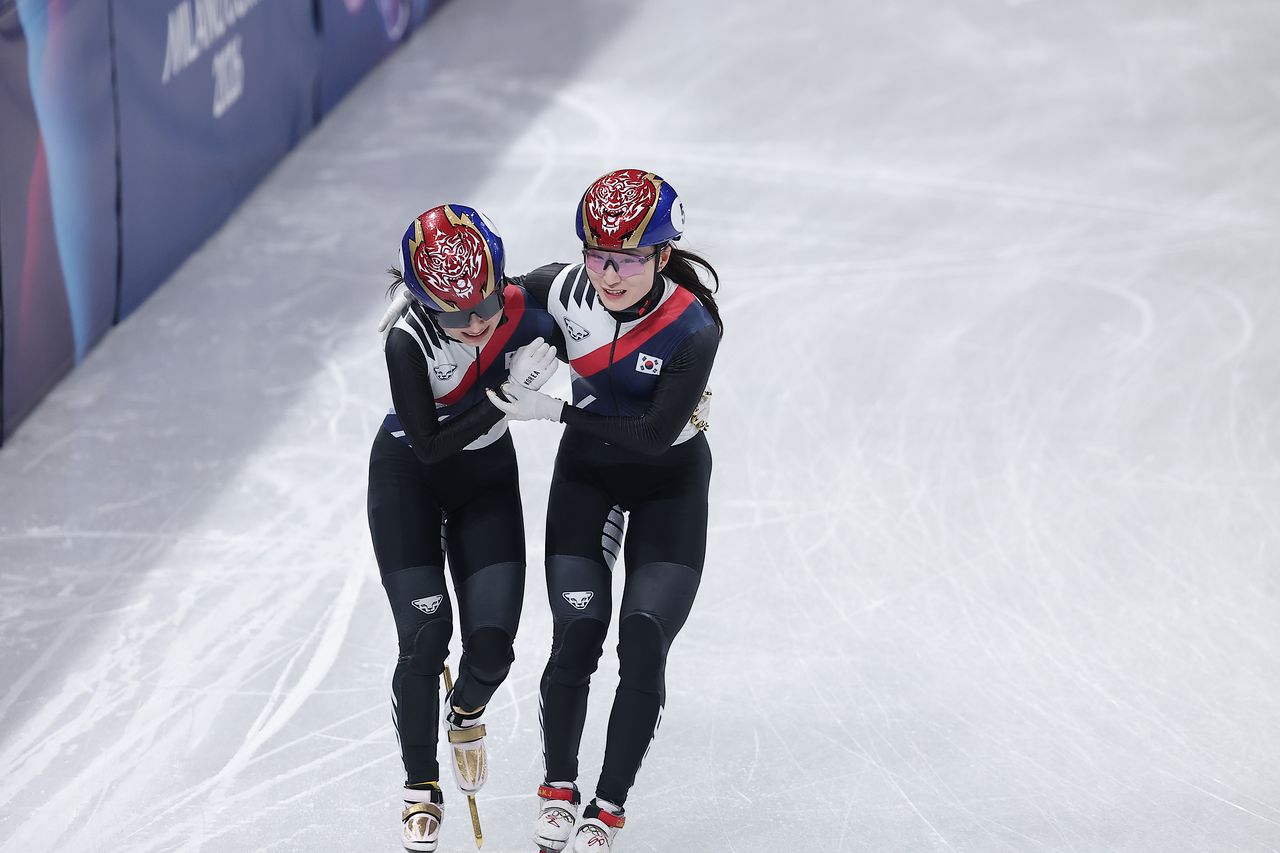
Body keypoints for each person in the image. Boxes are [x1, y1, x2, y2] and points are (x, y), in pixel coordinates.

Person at [487, 169, 723, 853]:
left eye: (625, 259)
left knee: (643, 634)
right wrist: (420, 310)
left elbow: (653, 437)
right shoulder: (563, 287)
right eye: (597, 255)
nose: (608, 274)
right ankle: (558, 787)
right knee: (578, 629)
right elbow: (484, 297)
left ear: (662, 256)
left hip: (668, 484)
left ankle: (608, 806)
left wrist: (555, 407)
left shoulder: (693, 329)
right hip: (587, 478)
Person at [367, 204, 561, 852]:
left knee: (492, 650)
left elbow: (587, 293)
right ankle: (421, 785)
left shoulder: (521, 301)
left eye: (483, 305)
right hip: (411, 479)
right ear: (424, 303)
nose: (476, 324)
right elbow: (428, 445)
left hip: (485, 485)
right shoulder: (407, 340)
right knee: (425, 639)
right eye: (456, 316)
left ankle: (467, 711)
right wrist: (505, 394)